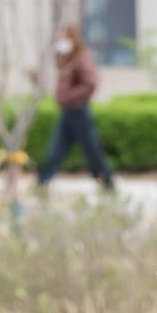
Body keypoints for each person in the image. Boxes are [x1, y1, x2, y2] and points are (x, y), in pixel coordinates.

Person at [36, 24, 115, 192]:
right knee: (56, 150)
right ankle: (42, 183)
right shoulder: (67, 59)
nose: (61, 42)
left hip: (79, 112)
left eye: (64, 38)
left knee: (92, 151)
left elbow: (90, 83)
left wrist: (69, 97)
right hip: (68, 112)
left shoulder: (81, 58)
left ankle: (107, 183)